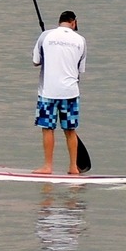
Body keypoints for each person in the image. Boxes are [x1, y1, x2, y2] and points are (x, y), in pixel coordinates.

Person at [32, 9, 86, 175]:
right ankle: (73, 168)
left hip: (48, 92)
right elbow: (80, 69)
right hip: (70, 92)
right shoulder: (81, 40)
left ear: (59, 21)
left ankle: (48, 167)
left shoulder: (45, 36)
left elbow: (36, 61)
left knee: (48, 128)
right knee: (70, 130)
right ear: (74, 22)